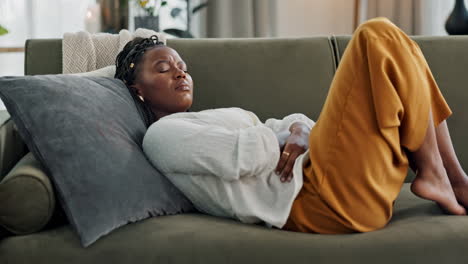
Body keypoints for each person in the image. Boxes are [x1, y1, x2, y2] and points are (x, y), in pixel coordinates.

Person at [114, 17, 468, 234]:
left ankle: (453, 178)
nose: (180, 72)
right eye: (163, 69)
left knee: (401, 45)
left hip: (345, 180)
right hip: (319, 199)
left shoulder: (217, 117)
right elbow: (244, 156)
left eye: (182, 66)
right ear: (138, 90)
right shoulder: (161, 136)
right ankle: (435, 173)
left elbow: (290, 125)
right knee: (376, 35)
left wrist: (296, 132)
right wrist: (286, 135)